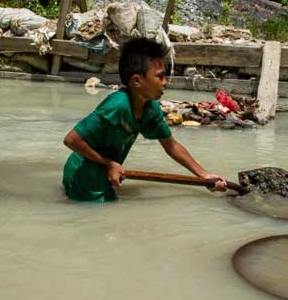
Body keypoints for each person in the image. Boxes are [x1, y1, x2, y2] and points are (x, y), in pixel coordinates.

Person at [62, 38, 227, 202]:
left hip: (105, 169)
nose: (165, 82)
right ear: (137, 81)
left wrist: (204, 175)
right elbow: (71, 140)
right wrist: (110, 164)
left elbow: (172, 146)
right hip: (83, 172)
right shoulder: (116, 105)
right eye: (160, 76)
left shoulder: (150, 108)